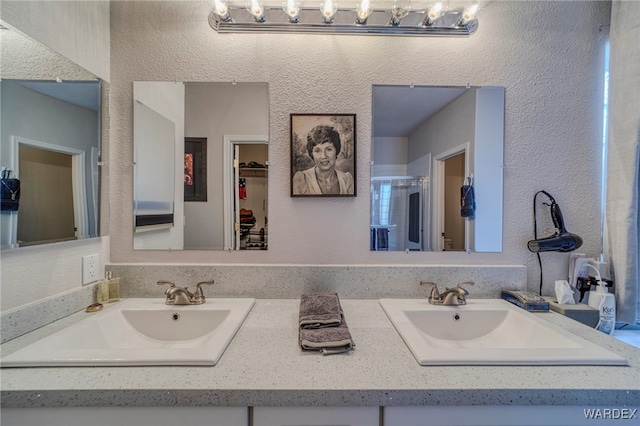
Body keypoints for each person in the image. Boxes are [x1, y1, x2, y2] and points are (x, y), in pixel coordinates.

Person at [292, 125, 354, 195]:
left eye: (329, 149)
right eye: (318, 151)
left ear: (336, 150)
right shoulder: (301, 179)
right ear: (312, 154)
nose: (323, 156)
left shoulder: (347, 180)